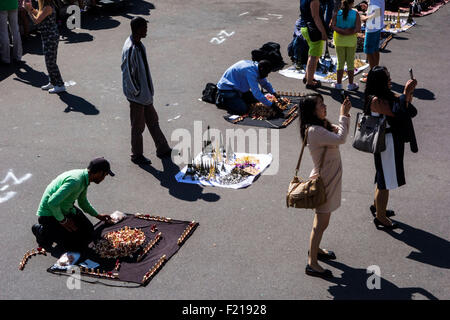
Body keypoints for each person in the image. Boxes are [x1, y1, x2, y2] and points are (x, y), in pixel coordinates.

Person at [299, 93, 351, 279]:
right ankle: (312, 263)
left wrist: (344, 118)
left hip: (329, 179)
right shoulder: (314, 131)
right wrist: (344, 114)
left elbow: (339, 132)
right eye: (320, 105)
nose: (324, 107)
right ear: (312, 111)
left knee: (320, 222)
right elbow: (341, 138)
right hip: (325, 182)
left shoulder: (320, 126)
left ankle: (316, 249)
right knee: (322, 223)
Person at [364, 66, 418, 229]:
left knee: (382, 175)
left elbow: (406, 107)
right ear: (379, 81)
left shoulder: (384, 95)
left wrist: (408, 94)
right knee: (385, 180)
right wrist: (405, 93)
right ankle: (380, 217)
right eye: (387, 78)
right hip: (385, 142)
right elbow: (397, 112)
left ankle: (377, 207)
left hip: (390, 140)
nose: (390, 80)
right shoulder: (375, 100)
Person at [31, 158, 115, 251]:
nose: (104, 178)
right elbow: (52, 202)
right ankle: (42, 230)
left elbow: (83, 202)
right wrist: (63, 221)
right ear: (99, 173)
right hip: (50, 214)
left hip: (66, 208)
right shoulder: (75, 181)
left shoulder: (85, 178)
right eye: (105, 175)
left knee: (89, 232)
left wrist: (98, 215)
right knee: (73, 245)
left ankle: (56, 230)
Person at [121, 17, 172, 165]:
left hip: (145, 94)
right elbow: (127, 73)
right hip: (137, 96)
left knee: (153, 120)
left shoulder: (138, 44)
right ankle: (136, 155)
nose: (146, 30)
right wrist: (136, 92)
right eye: (144, 28)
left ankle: (162, 148)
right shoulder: (131, 48)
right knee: (138, 127)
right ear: (138, 30)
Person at [25, 0, 66, 93]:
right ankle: (53, 81)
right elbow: (39, 15)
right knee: (49, 61)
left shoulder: (47, 7)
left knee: (51, 62)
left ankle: (60, 85)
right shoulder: (45, 6)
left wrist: (28, 11)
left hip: (50, 36)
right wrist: (31, 8)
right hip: (47, 36)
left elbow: (36, 21)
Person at [216, 59, 283, 115]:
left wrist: (274, 94)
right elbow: (256, 93)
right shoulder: (250, 72)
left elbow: (265, 83)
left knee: (254, 101)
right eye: (266, 73)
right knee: (243, 110)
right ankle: (222, 100)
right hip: (227, 89)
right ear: (262, 69)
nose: (267, 75)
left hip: (238, 87)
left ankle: (238, 98)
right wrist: (272, 106)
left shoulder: (258, 68)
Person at [331, 0, 361, 91]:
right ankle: (351, 84)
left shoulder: (337, 13)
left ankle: (339, 83)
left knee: (340, 62)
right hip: (351, 41)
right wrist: (349, 32)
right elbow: (358, 28)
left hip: (339, 41)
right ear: (352, 3)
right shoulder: (355, 14)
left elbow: (332, 25)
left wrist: (342, 31)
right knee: (350, 63)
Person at [299, 0, 327, 89]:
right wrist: (323, 32)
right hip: (313, 30)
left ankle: (308, 76)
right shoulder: (314, 0)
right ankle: (310, 82)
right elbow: (315, 17)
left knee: (312, 54)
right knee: (314, 56)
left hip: (305, 27)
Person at [360, 0, 384, 83]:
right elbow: (377, 9)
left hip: (372, 28)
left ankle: (373, 76)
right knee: (375, 50)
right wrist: (368, 8)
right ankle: (375, 71)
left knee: (369, 51)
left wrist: (365, 18)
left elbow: (378, 12)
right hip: (377, 26)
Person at [0, 0, 23, 64]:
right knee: (15, 30)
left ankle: (5, 58)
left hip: (2, 5)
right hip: (13, 3)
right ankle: (18, 56)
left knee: (3, 32)